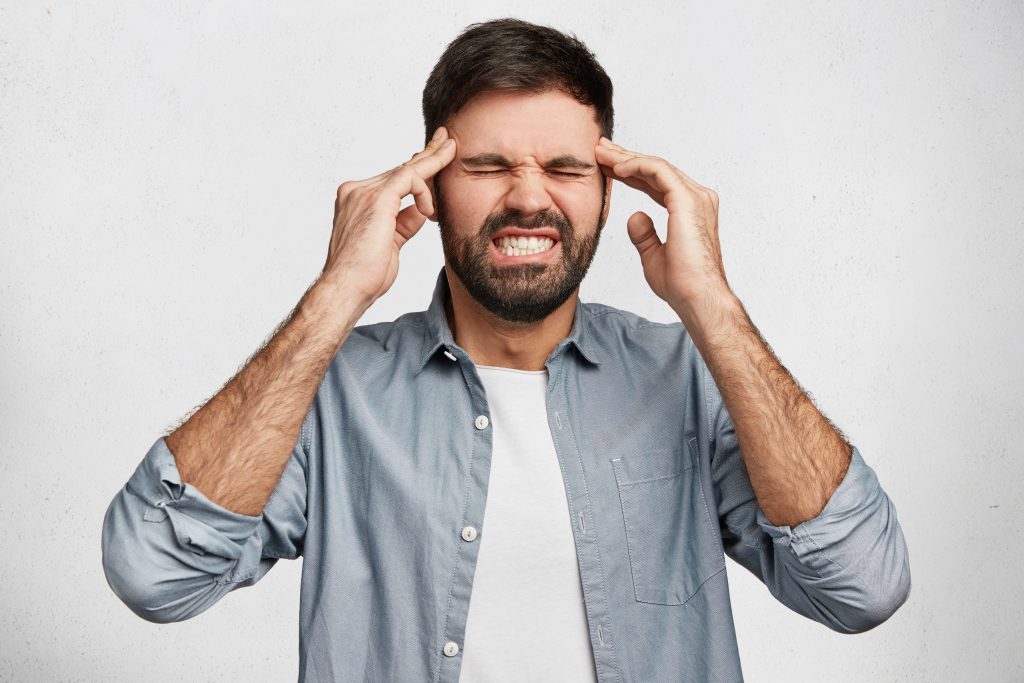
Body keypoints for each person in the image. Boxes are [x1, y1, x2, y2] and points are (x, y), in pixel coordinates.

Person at [101, 17, 911, 682]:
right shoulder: (332, 393)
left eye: (565, 167)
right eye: (487, 166)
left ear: (606, 189)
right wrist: (335, 295)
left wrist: (713, 306)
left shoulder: (689, 380)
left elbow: (862, 589)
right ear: (429, 185)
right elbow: (154, 573)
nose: (529, 196)